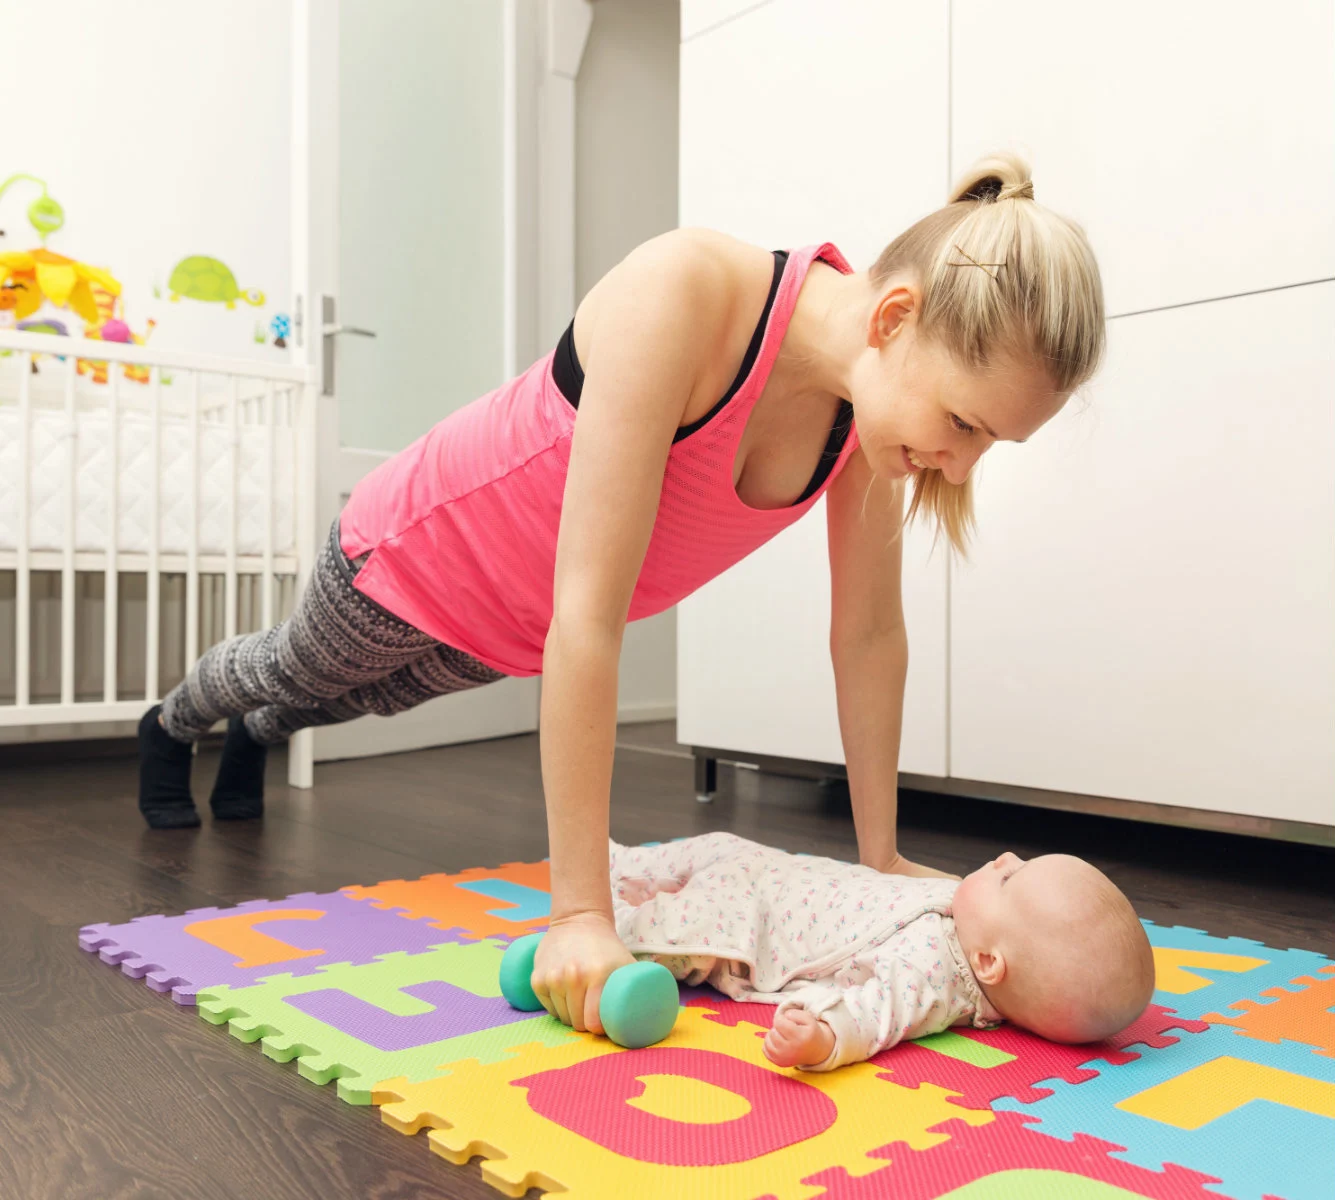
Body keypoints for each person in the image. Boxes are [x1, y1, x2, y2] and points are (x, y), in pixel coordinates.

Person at [136, 149, 1107, 1039]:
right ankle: (175, 721)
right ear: (893, 319)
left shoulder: (865, 420)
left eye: (988, 443)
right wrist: (580, 916)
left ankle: (258, 737)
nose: (959, 460)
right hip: (414, 554)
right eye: (964, 423)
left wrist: (883, 858)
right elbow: (590, 612)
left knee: (345, 704)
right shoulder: (682, 293)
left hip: (513, 629)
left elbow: (868, 633)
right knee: (295, 668)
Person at [609, 832, 1154, 1069]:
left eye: (1011, 879)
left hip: (751, 928)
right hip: (781, 875)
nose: (1006, 857)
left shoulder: (934, 976)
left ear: (989, 963)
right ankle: (621, 861)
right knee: (715, 849)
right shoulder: (975, 922)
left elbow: (876, 1014)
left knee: (662, 932)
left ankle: (597, 914)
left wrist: (823, 1038)